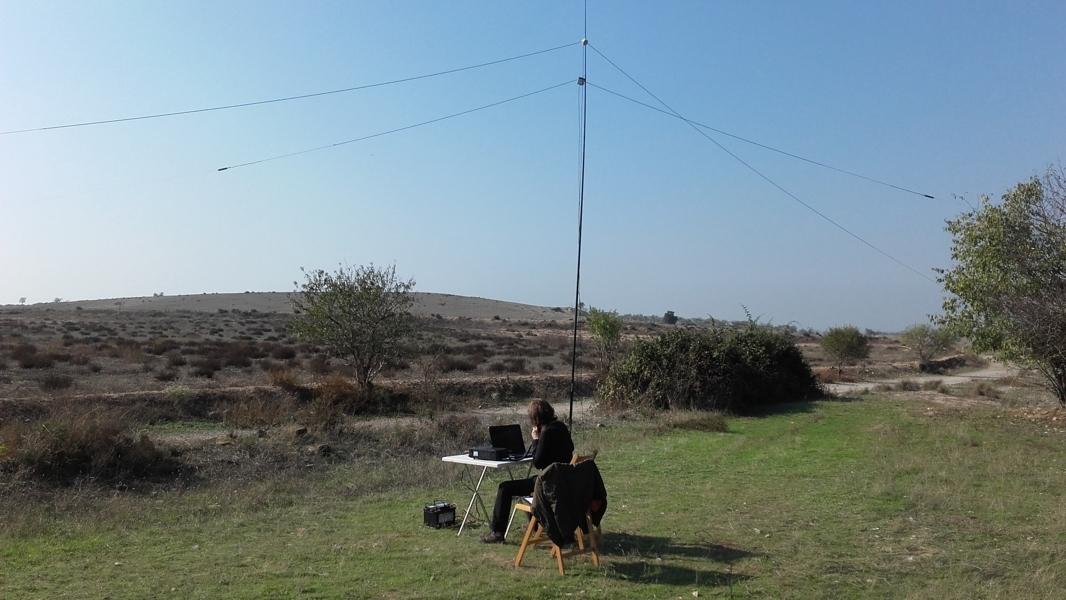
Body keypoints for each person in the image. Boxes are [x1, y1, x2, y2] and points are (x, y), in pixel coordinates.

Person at [480, 399, 573, 543]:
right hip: (565, 482)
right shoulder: (561, 427)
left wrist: (536, 440)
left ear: (535, 418)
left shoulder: (546, 431)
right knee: (529, 485)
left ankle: (497, 532)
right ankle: (535, 526)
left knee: (505, 488)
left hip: (549, 485)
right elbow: (569, 449)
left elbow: (538, 462)